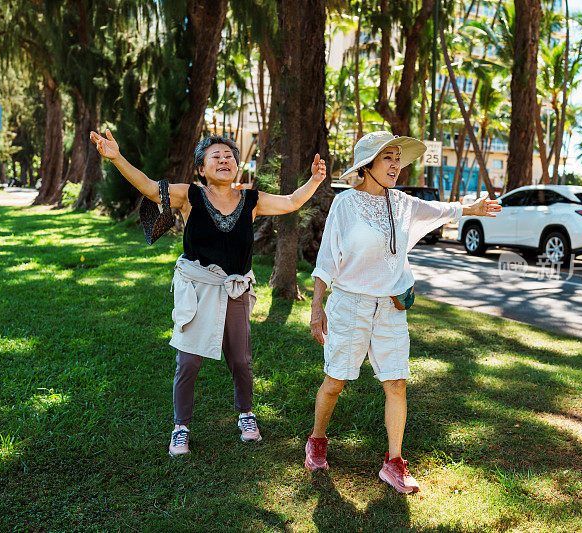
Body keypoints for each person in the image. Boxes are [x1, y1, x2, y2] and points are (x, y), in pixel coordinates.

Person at [90, 129, 326, 456]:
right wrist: (116, 156)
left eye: (229, 156)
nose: (224, 160)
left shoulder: (251, 200)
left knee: (241, 360)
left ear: (237, 165)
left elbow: (290, 202)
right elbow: (147, 186)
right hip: (197, 288)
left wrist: (314, 180)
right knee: (188, 362)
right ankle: (181, 427)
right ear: (201, 169)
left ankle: (245, 414)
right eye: (215, 156)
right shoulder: (190, 196)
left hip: (236, 289)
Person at [304, 131, 500, 493]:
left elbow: (442, 210)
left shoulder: (404, 204)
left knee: (396, 382)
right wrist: (317, 308)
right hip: (349, 305)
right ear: (367, 165)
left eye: (398, 158)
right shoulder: (345, 205)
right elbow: (326, 261)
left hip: (391, 308)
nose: (396, 164)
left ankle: (393, 462)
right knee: (335, 383)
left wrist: (472, 208)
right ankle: (317, 439)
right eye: (387, 158)